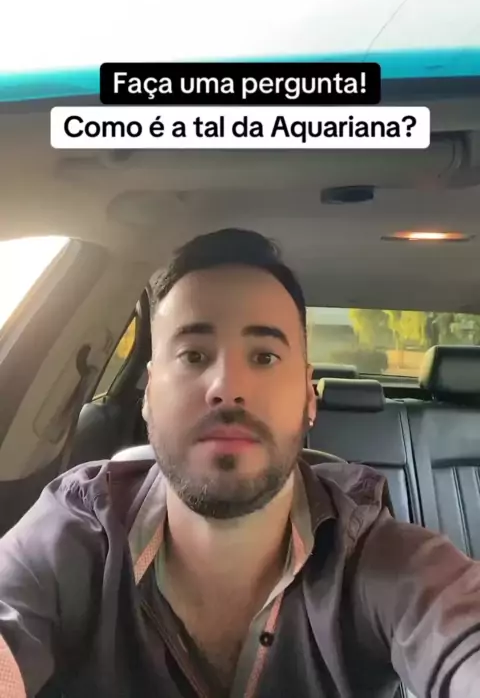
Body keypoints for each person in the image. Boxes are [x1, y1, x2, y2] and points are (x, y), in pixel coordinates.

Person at [0, 229, 479, 698]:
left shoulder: (375, 556)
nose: (228, 387)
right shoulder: (77, 531)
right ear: (148, 394)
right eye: (193, 355)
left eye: (265, 357)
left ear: (308, 395)